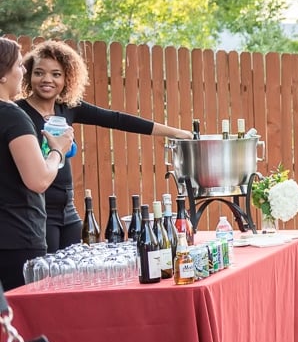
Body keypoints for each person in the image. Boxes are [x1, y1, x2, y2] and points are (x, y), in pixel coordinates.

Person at [18, 40, 191, 253]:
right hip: (37, 210)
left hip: (68, 208)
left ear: (67, 79)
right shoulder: (18, 113)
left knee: (73, 274)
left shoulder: (69, 108)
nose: (47, 80)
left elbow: (117, 119)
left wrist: (178, 133)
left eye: (56, 74)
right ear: (28, 76)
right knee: (46, 277)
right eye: (39, 73)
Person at [0, 38, 75, 291]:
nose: (23, 72)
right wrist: (57, 150)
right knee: (22, 321)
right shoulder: (11, 116)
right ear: (3, 75)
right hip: (18, 239)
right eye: (20, 66)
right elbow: (39, 180)